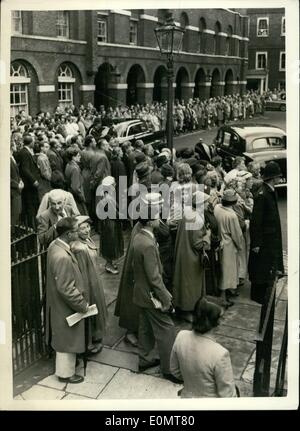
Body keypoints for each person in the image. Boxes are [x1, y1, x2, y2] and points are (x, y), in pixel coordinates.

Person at [132, 193, 181, 383]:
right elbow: (154, 278)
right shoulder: (148, 244)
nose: (159, 219)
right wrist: (167, 299)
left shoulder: (139, 237)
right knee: (167, 329)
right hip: (152, 295)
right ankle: (169, 369)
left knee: (145, 328)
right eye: (157, 216)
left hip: (141, 294)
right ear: (150, 220)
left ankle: (144, 359)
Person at [46, 217, 89, 384]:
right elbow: (66, 288)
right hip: (65, 306)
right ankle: (65, 374)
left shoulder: (54, 246)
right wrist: (82, 304)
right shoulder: (62, 256)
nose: (79, 231)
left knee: (65, 337)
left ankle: (68, 369)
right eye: (77, 229)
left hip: (57, 304)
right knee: (67, 338)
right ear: (69, 234)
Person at [170, 297, 237, 398]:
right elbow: (228, 396)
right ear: (216, 323)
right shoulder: (220, 354)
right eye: (221, 317)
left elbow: (174, 370)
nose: (223, 321)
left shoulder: (181, 336)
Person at [248, 161, 284, 306]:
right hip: (264, 238)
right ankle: (258, 295)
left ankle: (263, 293)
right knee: (261, 266)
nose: (280, 179)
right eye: (278, 177)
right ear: (273, 178)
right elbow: (256, 221)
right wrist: (256, 242)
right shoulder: (263, 194)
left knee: (266, 264)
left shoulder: (269, 191)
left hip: (270, 236)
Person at [70, 216, 108, 354]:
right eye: (82, 228)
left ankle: (94, 337)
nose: (86, 230)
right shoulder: (79, 247)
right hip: (88, 283)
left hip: (95, 279)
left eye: (87, 227)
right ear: (76, 231)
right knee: (89, 310)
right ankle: (88, 344)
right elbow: (81, 271)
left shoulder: (88, 240)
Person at [173, 189, 211, 321]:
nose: (208, 204)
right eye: (206, 202)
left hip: (183, 253)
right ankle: (187, 310)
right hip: (191, 257)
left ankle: (184, 308)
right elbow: (198, 244)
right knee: (190, 286)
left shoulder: (187, 214)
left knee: (184, 284)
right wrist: (208, 236)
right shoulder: (197, 219)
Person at [214, 189, 244, 307]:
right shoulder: (231, 215)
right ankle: (223, 298)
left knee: (222, 269)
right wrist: (240, 245)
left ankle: (228, 291)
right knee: (227, 271)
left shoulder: (217, 208)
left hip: (218, 241)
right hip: (228, 244)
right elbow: (237, 234)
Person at [17, 134, 41, 227]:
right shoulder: (25, 153)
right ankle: (32, 226)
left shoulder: (25, 152)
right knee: (30, 206)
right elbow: (25, 169)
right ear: (31, 142)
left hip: (28, 184)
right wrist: (33, 180)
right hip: (29, 185)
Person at [65, 147, 88, 215]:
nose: (80, 157)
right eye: (78, 155)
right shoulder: (75, 168)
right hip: (76, 198)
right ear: (73, 157)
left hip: (71, 194)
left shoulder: (68, 165)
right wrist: (81, 197)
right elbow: (75, 187)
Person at [10, 141, 24, 232]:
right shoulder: (7, 159)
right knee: (14, 214)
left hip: (17, 190)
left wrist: (20, 180)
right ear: (11, 147)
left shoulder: (12, 157)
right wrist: (17, 185)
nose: (16, 146)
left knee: (17, 213)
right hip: (14, 191)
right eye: (15, 145)